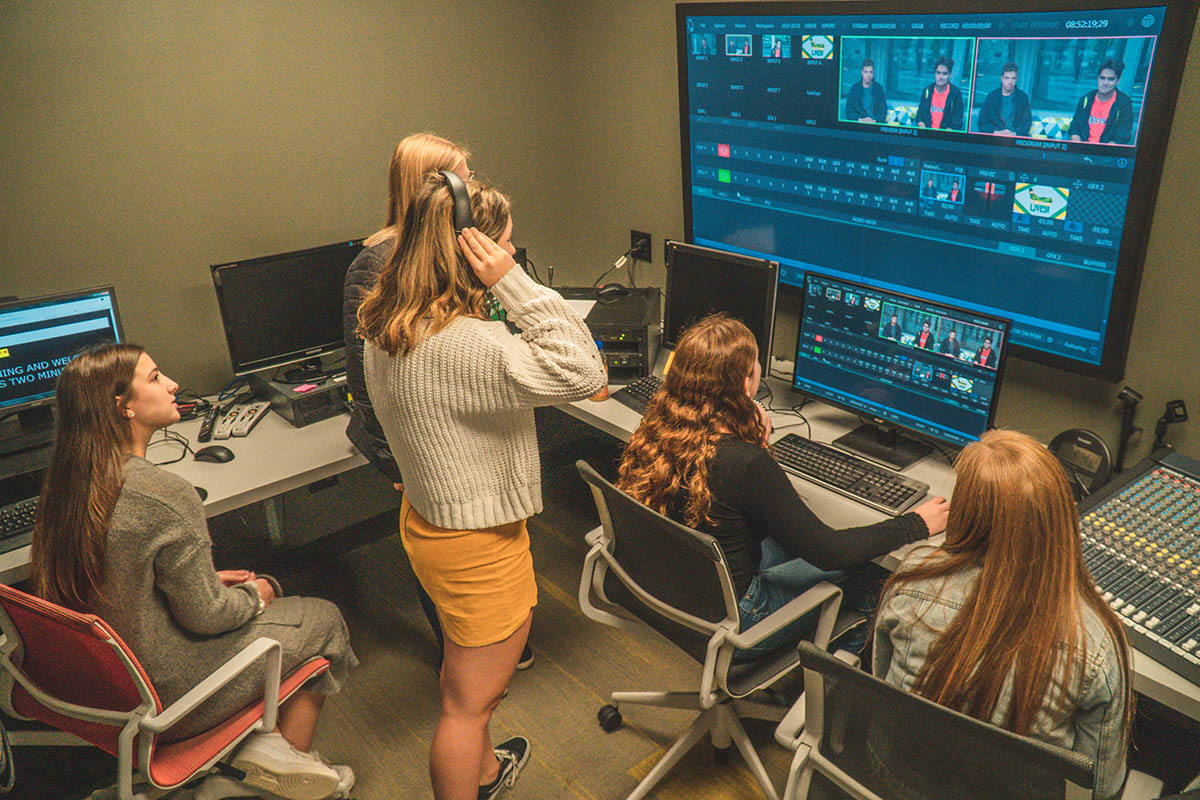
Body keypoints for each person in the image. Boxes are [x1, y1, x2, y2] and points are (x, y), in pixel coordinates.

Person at [357, 175, 605, 800]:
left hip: (430, 520)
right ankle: (472, 772)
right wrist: (513, 283)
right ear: (472, 251)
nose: (512, 253)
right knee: (468, 706)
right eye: (505, 246)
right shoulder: (470, 346)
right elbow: (585, 370)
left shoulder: (387, 320)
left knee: (463, 677)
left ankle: (486, 770)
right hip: (477, 547)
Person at [29, 344, 357, 800]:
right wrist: (258, 594)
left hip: (103, 683)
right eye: (155, 378)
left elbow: (117, 574)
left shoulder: (67, 481)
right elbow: (208, 617)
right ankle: (275, 777)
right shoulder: (163, 494)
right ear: (122, 407)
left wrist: (199, 581)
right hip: (166, 690)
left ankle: (264, 750)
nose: (173, 385)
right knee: (322, 619)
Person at [617, 315, 948, 660]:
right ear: (745, 384)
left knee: (794, 541)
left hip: (669, 591)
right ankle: (833, 676)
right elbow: (830, 552)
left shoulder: (663, 427)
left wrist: (752, 436)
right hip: (733, 624)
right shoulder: (744, 462)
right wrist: (915, 524)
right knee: (872, 572)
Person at [342, 133, 536, 674]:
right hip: (419, 455)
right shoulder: (378, 260)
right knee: (452, 578)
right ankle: (466, 658)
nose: (471, 191)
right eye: (462, 179)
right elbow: (366, 376)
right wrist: (400, 462)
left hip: (465, 448)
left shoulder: (455, 249)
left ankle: (485, 654)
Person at [873, 429, 1133, 800]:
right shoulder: (1096, 643)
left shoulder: (911, 579)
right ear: (1060, 518)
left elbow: (882, 692)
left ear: (964, 511)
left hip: (896, 787)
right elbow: (1100, 787)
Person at [1070, 60, 1134, 144]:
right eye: (1102, 78)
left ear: (1118, 81)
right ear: (1098, 78)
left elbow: (1122, 135)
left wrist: (1105, 149)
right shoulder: (1086, 99)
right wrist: (1076, 139)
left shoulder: (1124, 102)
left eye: (1110, 79)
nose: (1105, 83)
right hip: (1083, 148)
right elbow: (1075, 127)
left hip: (1107, 150)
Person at [977, 62, 1032, 136]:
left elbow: (1026, 122)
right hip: (995, 137)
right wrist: (996, 132)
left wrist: (1014, 134)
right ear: (1002, 79)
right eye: (1007, 78)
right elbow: (983, 122)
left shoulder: (1022, 97)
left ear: (1016, 79)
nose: (1010, 82)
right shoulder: (992, 97)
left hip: (1015, 137)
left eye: (1013, 78)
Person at [917, 56, 964, 130]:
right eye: (938, 73)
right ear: (935, 73)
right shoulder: (927, 91)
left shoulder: (956, 94)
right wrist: (923, 127)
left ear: (950, 75)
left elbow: (957, 121)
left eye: (944, 74)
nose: (940, 77)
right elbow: (920, 116)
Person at [845, 58, 888, 123]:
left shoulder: (879, 89)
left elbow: (883, 111)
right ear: (862, 72)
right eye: (866, 72)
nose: (868, 75)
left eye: (871, 72)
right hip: (859, 124)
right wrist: (860, 120)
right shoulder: (855, 89)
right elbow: (849, 111)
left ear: (873, 73)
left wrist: (874, 121)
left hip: (874, 123)